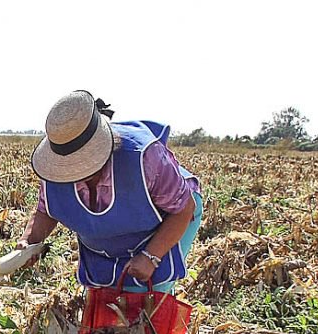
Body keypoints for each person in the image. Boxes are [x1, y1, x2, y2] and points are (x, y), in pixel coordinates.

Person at [18, 90, 202, 293]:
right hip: (106, 237)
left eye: (82, 164)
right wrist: (29, 242)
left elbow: (184, 209)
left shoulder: (143, 158)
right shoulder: (53, 171)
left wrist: (151, 256)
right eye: (69, 168)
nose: (75, 173)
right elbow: (47, 210)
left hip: (171, 214)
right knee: (102, 293)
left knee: (148, 294)